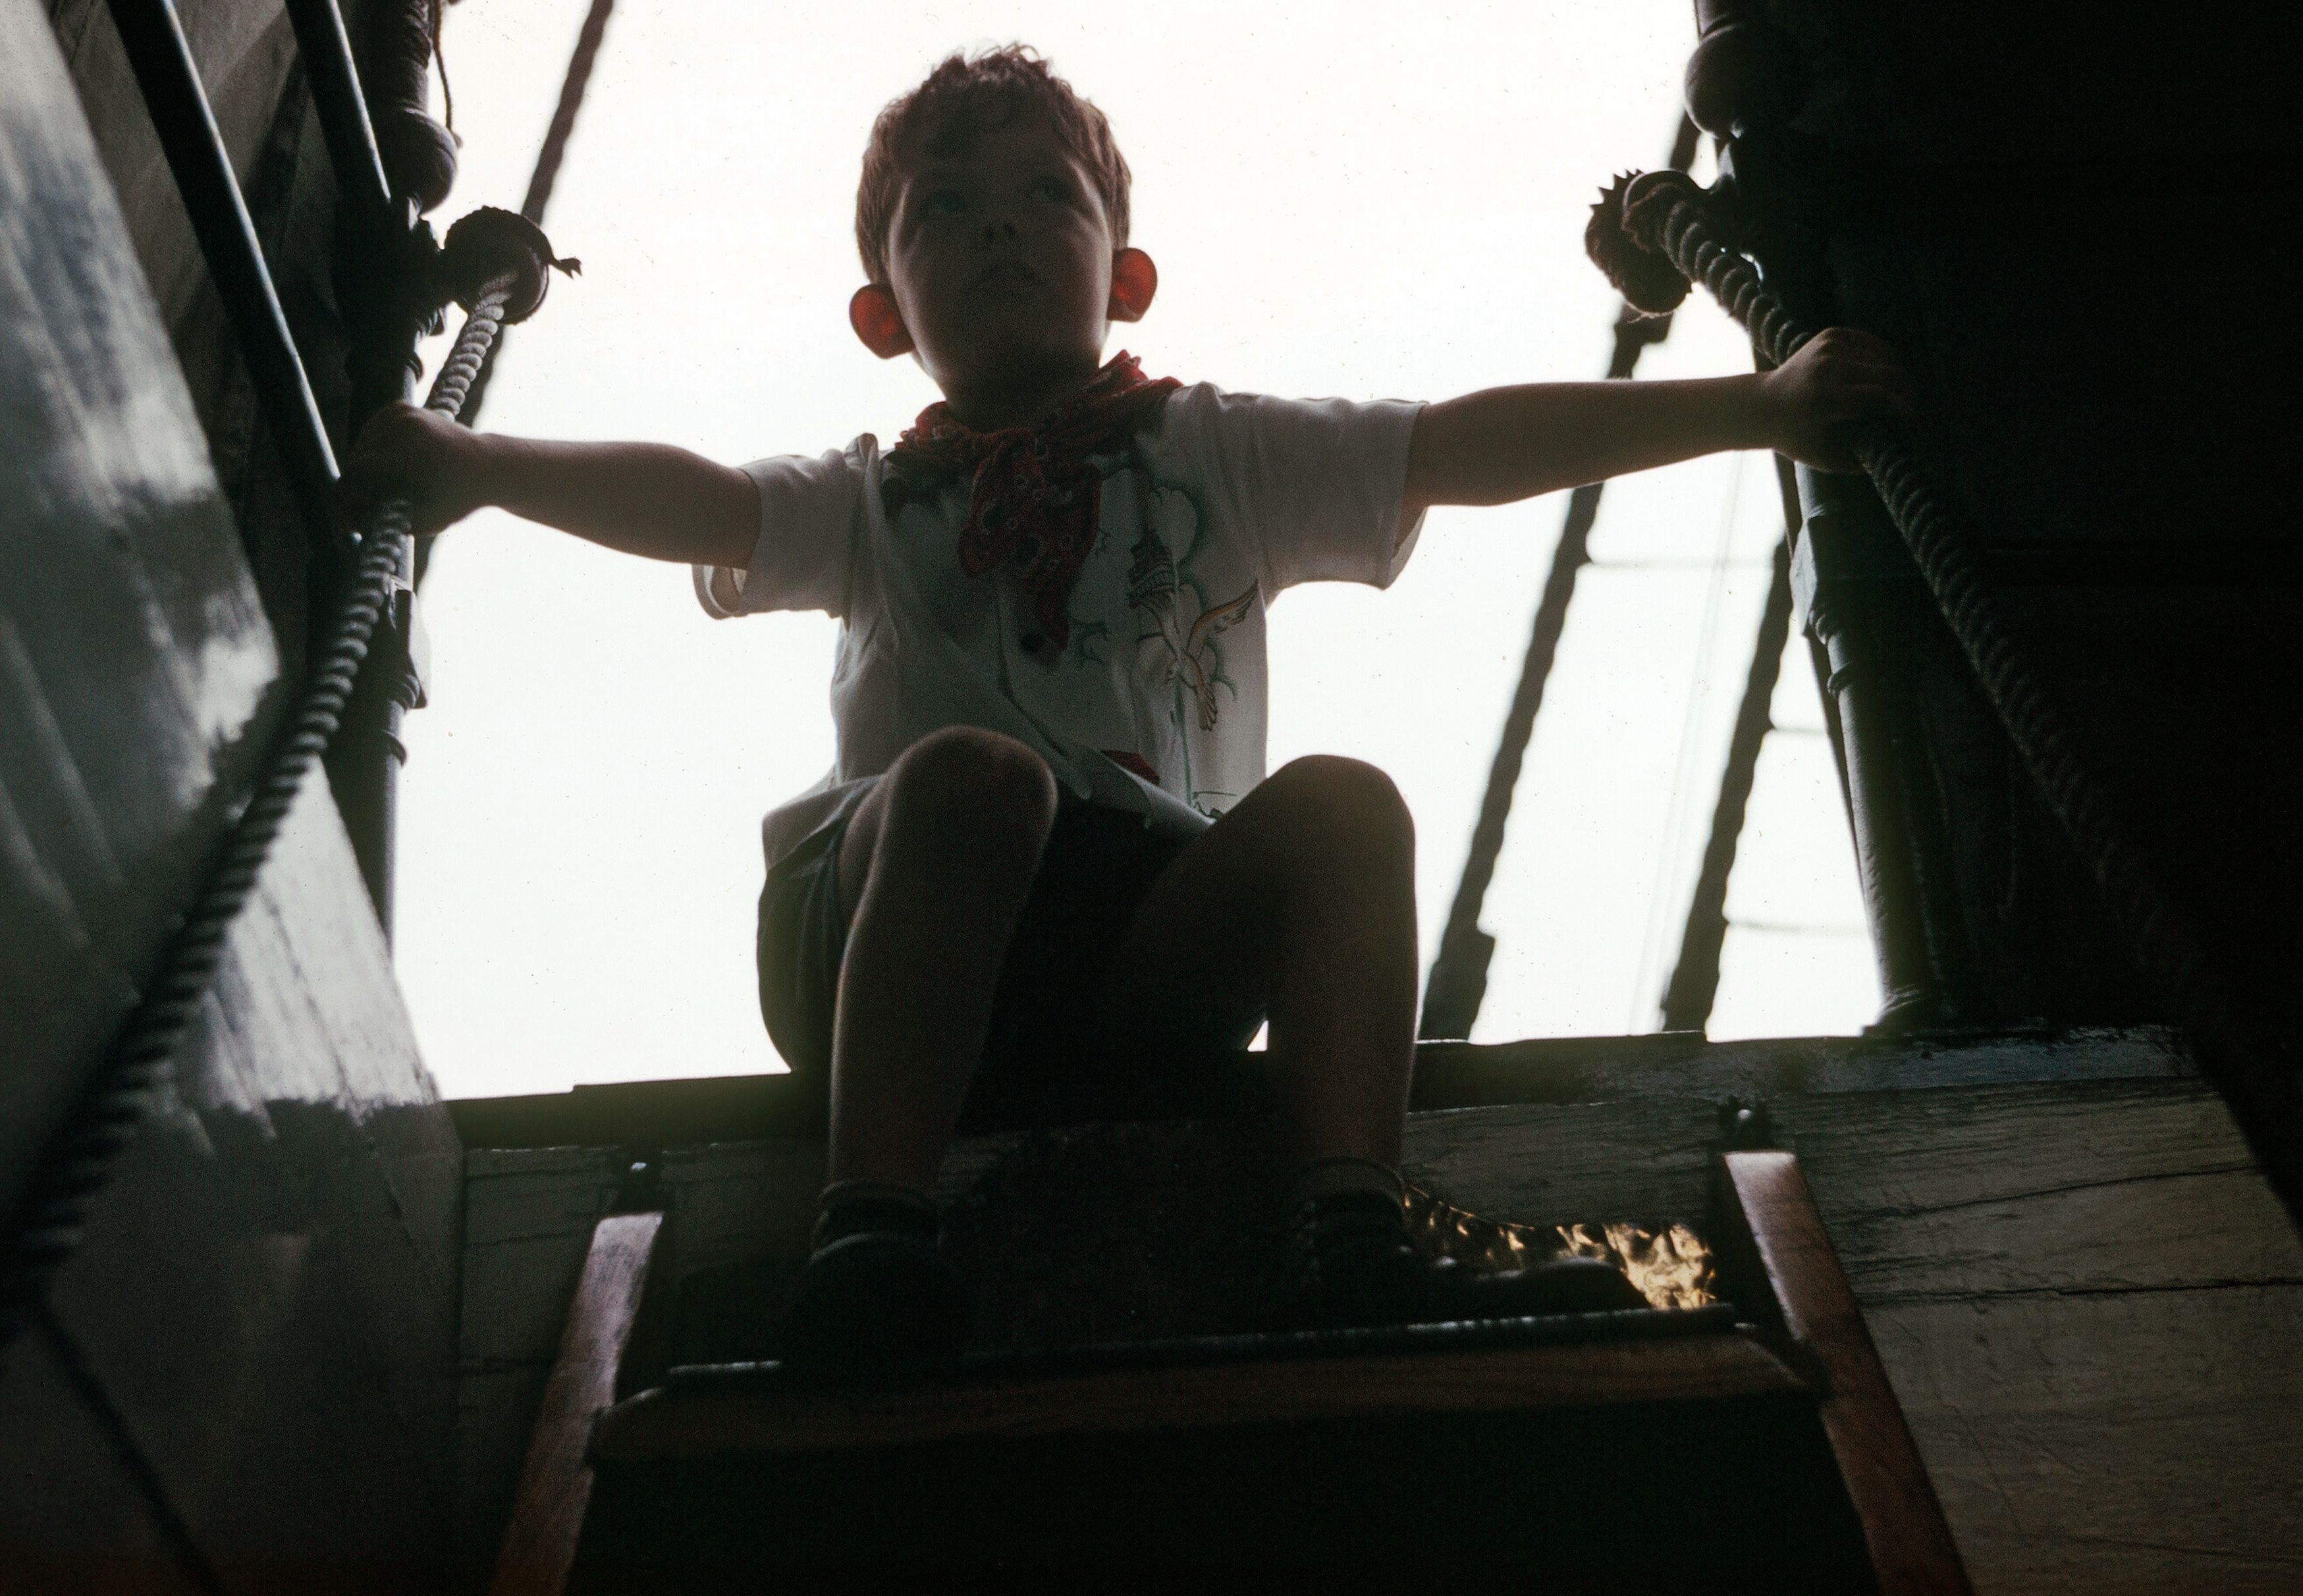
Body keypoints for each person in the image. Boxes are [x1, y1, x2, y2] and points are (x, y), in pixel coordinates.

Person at [341, 45, 1912, 1365]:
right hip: (891, 934)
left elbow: (1455, 445)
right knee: (973, 779)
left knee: (1345, 809)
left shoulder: (1216, 449)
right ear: (883, 314)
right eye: (944, 210)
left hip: (1136, 958)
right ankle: (869, 1230)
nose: (999, 227)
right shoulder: (870, 499)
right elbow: (701, 501)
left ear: (1127, 270)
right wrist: (481, 467)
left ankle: (1351, 1232)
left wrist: (1756, 407)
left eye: (1048, 196)